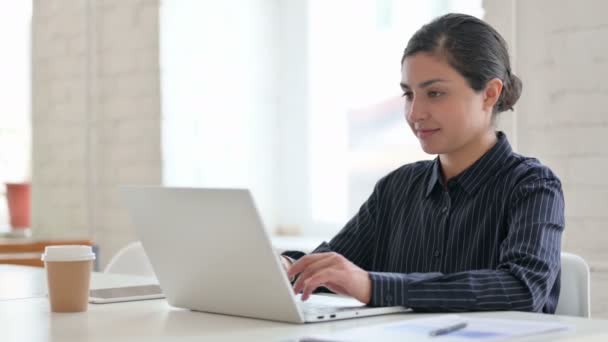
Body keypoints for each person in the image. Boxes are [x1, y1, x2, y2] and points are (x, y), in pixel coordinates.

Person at [280, 13, 565, 313]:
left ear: (490, 94)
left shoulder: (532, 186)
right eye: (408, 94)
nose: (415, 113)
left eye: (435, 93)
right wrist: (285, 266)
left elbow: (523, 288)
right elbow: (335, 268)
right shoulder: (397, 187)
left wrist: (374, 286)